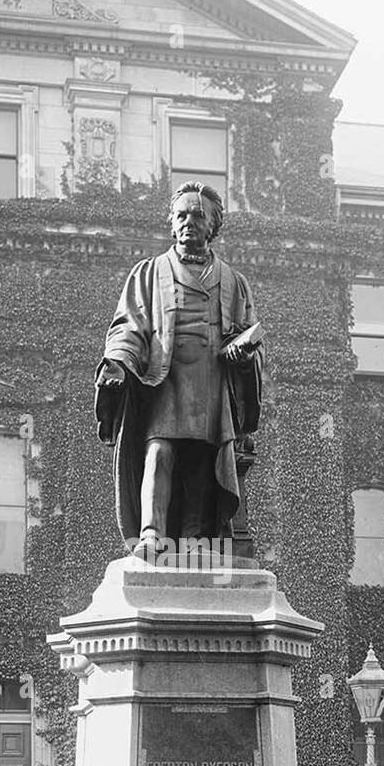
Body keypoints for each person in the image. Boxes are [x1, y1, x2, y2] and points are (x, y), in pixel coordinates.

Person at [94, 182, 264, 560]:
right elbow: (129, 327)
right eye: (181, 215)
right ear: (171, 224)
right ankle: (151, 534)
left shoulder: (234, 282)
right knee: (160, 451)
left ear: (213, 226)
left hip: (212, 383)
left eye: (198, 216)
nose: (189, 222)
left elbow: (249, 334)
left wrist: (245, 354)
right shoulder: (149, 273)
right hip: (165, 379)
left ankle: (192, 539)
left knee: (202, 461)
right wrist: (118, 363)